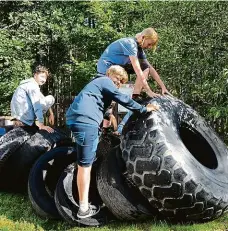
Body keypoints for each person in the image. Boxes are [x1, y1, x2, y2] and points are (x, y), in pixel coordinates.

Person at [66, 65, 159, 219]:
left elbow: (100, 105)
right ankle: (83, 208)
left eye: (120, 82)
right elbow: (121, 98)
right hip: (86, 122)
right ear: (110, 74)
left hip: (77, 119)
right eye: (117, 79)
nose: (117, 84)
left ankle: (84, 194)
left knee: (86, 158)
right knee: (85, 165)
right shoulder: (104, 80)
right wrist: (143, 109)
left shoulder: (96, 85)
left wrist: (107, 117)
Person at [97, 27, 169, 98]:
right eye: (149, 44)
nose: (149, 47)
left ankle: (134, 96)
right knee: (115, 91)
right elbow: (137, 69)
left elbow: (150, 68)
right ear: (143, 38)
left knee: (145, 67)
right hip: (106, 67)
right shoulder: (131, 44)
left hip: (117, 68)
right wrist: (148, 91)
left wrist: (163, 87)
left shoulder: (139, 48)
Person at [10, 65, 54, 133]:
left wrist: (51, 113)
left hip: (18, 117)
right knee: (51, 98)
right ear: (35, 75)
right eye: (42, 77)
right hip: (24, 118)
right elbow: (37, 105)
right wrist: (41, 124)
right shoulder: (33, 86)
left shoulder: (26, 84)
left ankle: (33, 122)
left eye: (45, 78)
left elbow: (41, 97)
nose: (44, 80)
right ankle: (35, 122)